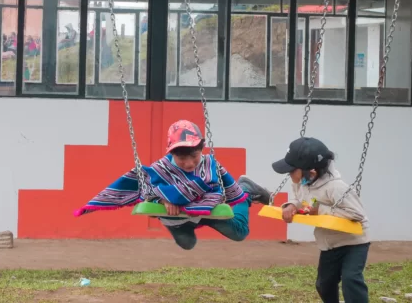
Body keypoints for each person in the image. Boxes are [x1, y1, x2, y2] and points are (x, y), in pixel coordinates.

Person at [75, 120, 271, 250]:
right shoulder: (161, 169)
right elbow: (146, 192)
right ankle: (188, 225)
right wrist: (163, 199)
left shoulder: (210, 165)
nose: (188, 163)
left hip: (206, 210)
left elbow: (222, 191)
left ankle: (246, 187)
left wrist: (200, 198)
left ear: (202, 148)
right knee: (187, 243)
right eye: (181, 158)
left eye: (193, 156)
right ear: (172, 153)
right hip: (177, 219)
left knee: (239, 233)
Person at [272, 137, 370, 303]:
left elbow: (357, 214)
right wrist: (291, 206)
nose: (288, 174)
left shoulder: (336, 187)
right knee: (324, 284)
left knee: (351, 280)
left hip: (353, 242)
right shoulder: (302, 183)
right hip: (330, 244)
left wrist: (321, 210)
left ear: (311, 172)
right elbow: (300, 199)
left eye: (291, 170)